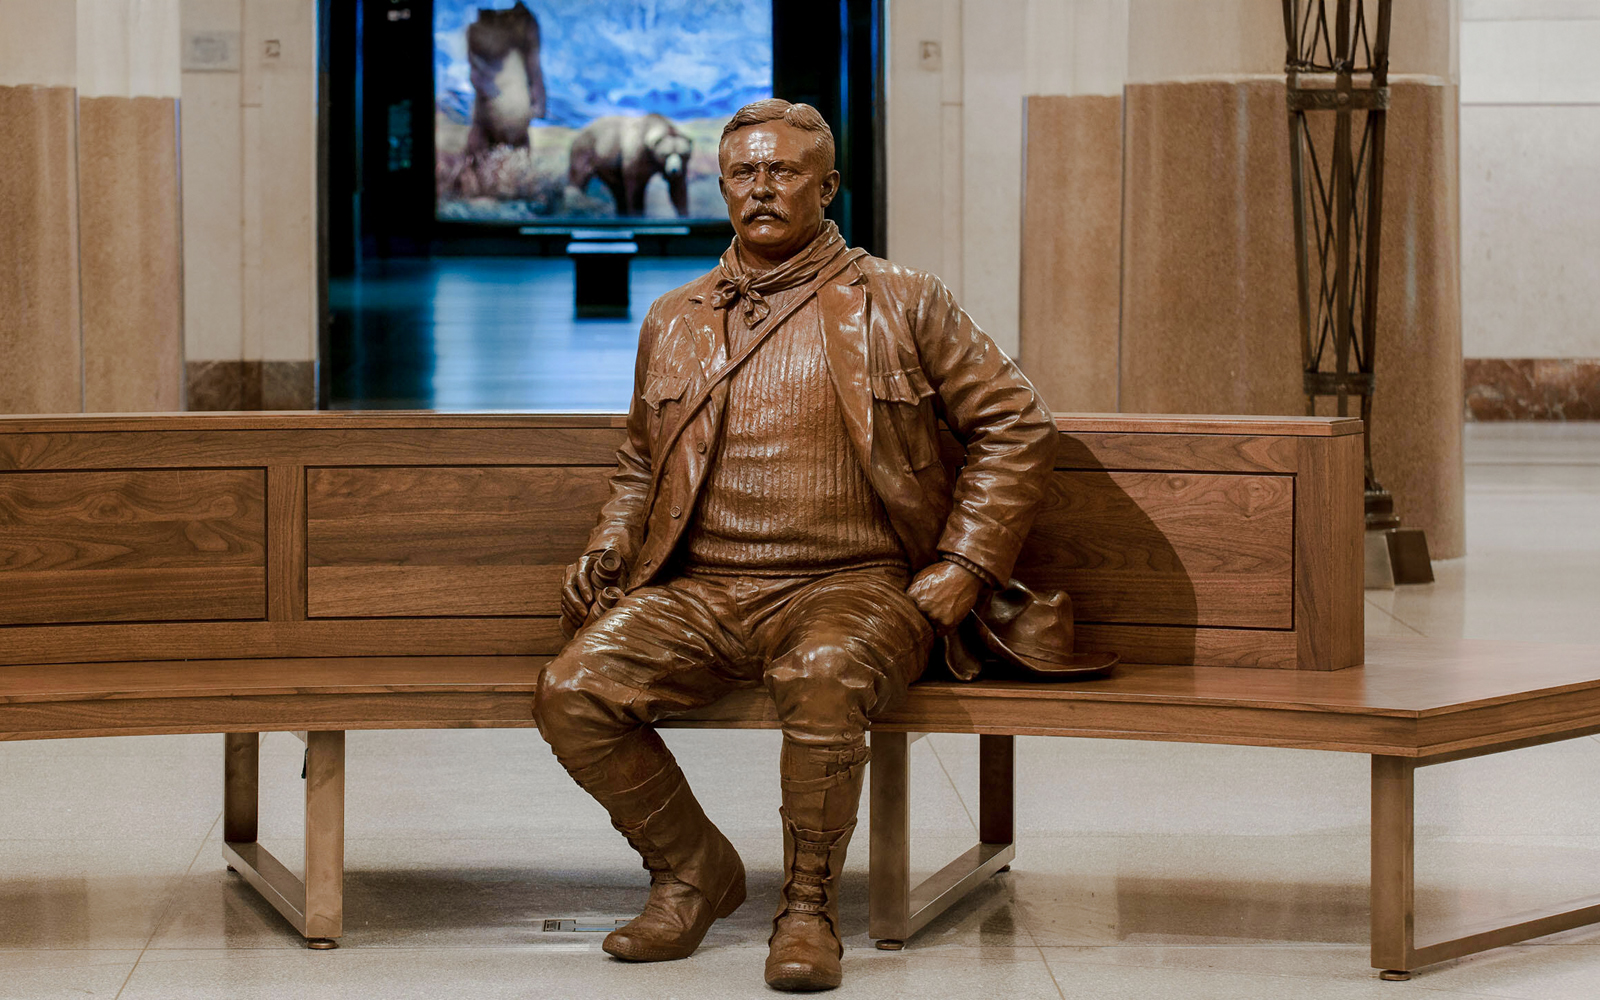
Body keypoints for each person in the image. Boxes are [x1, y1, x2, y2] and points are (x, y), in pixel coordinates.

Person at [536, 98, 1057, 992]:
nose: (761, 188)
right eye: (744, 172)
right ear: (722, 184)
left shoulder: (901, 299)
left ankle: (809, 906)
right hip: (703, 590)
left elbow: (1016, 424)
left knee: (823, 673)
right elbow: (640, 462)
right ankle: (694, 872)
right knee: (573, 689)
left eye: (783, 172)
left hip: (855, 586)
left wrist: (965, 566)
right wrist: (613, 544)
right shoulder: (677, 316)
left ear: (829, 187)